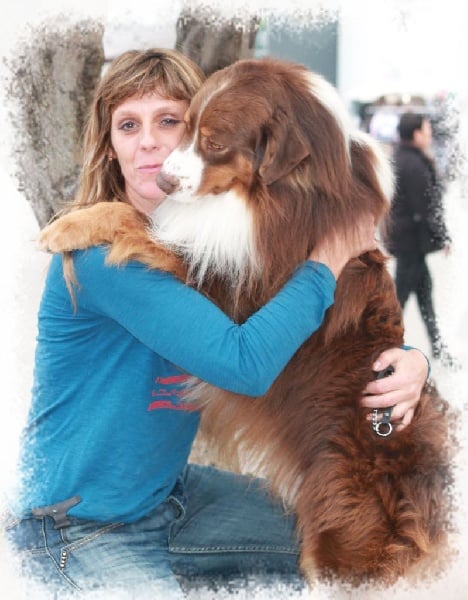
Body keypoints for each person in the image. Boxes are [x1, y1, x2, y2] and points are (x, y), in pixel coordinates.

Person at [3, 49, 429, 597]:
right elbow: (244, 363)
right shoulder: (104, 257)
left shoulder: (204, 238)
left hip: (168, 497)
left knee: (364, 552)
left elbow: (299, 324)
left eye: (169, 122)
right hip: (77, 527)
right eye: (128, 125)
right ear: (109, 146)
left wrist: (409, 361)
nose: (150, 142)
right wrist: (327, 258)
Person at [385, 111, 455, 367]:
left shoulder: (401, 158)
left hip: (407, 241)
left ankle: (438, 347)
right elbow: (426, 207)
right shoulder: (413, 164)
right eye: (426, 130)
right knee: (399, 299)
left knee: (424, 293)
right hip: (410, 242)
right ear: (415, 134)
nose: (430, 134)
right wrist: (443, 235)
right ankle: (381, 347)